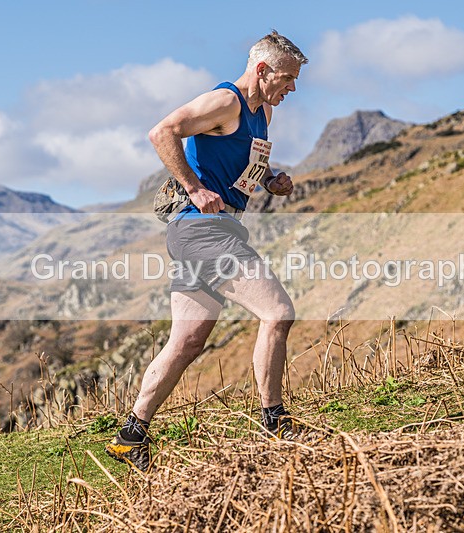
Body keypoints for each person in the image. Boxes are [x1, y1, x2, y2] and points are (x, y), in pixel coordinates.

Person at [105, 31, 307, 471]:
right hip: (201, 232)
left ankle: (130, 435)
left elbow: (248, 166)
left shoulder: (262, 113)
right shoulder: (227, 101)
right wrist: (194, 188)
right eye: (288, 78)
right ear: (262, 70)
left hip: (216, 231)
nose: (292, 87)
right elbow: (163, 131)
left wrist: (272, 182)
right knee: (278, 312)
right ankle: (275, 421)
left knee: (187, 340)